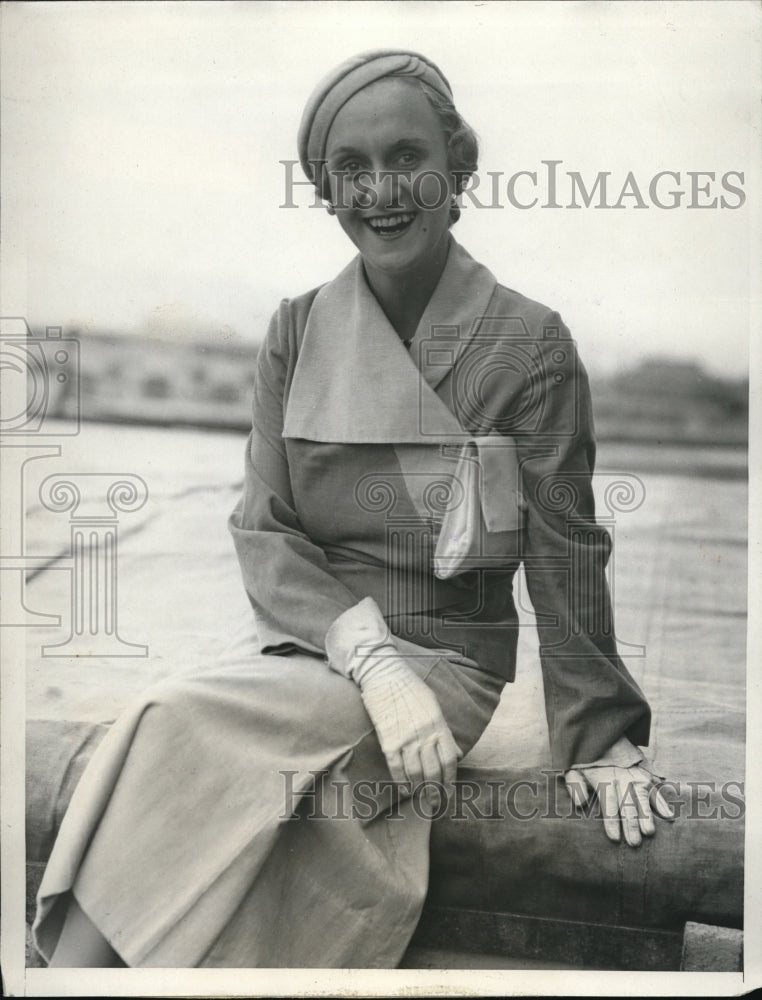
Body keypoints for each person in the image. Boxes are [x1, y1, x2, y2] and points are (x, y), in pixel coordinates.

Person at [33, 49, 672, 970]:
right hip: (316, 649)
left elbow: (564, 549)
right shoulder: (295, 331)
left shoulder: (530, 342)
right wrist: (372, 665)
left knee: (179, 721)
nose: (381, 190)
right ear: (327, 191)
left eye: (407, 157)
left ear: (458, 167)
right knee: (174, 721)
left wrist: (601, 737)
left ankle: (67, 978)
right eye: (351, 169)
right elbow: (265, 531)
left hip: (447, 665)